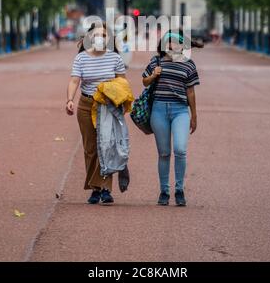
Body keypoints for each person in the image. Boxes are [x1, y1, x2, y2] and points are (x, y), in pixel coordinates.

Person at [66, 22, 127, 205]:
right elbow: (74, 81)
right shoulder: (81, 59)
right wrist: (69, 99)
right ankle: (95, 189)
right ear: (90, 37)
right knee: (91, 149)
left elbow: (123, 84)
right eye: (97, 34)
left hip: (107, 106)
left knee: (107, 146)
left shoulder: (115, 58)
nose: (101, 38)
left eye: (104, 35)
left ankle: (106, 189)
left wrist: (119, 101)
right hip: (86, 105)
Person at [142, 29, 201, 206]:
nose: (171, 45)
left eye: (175, 42)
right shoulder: (156, 61)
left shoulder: (188, 64)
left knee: (180, 150)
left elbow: (190, 91)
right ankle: (164, 191)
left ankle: (179, 189)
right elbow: (144, 81)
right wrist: (154, 74)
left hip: (180, 111)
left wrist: (194, 115)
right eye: (168, 42)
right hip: (159, 110)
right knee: (164, 153)